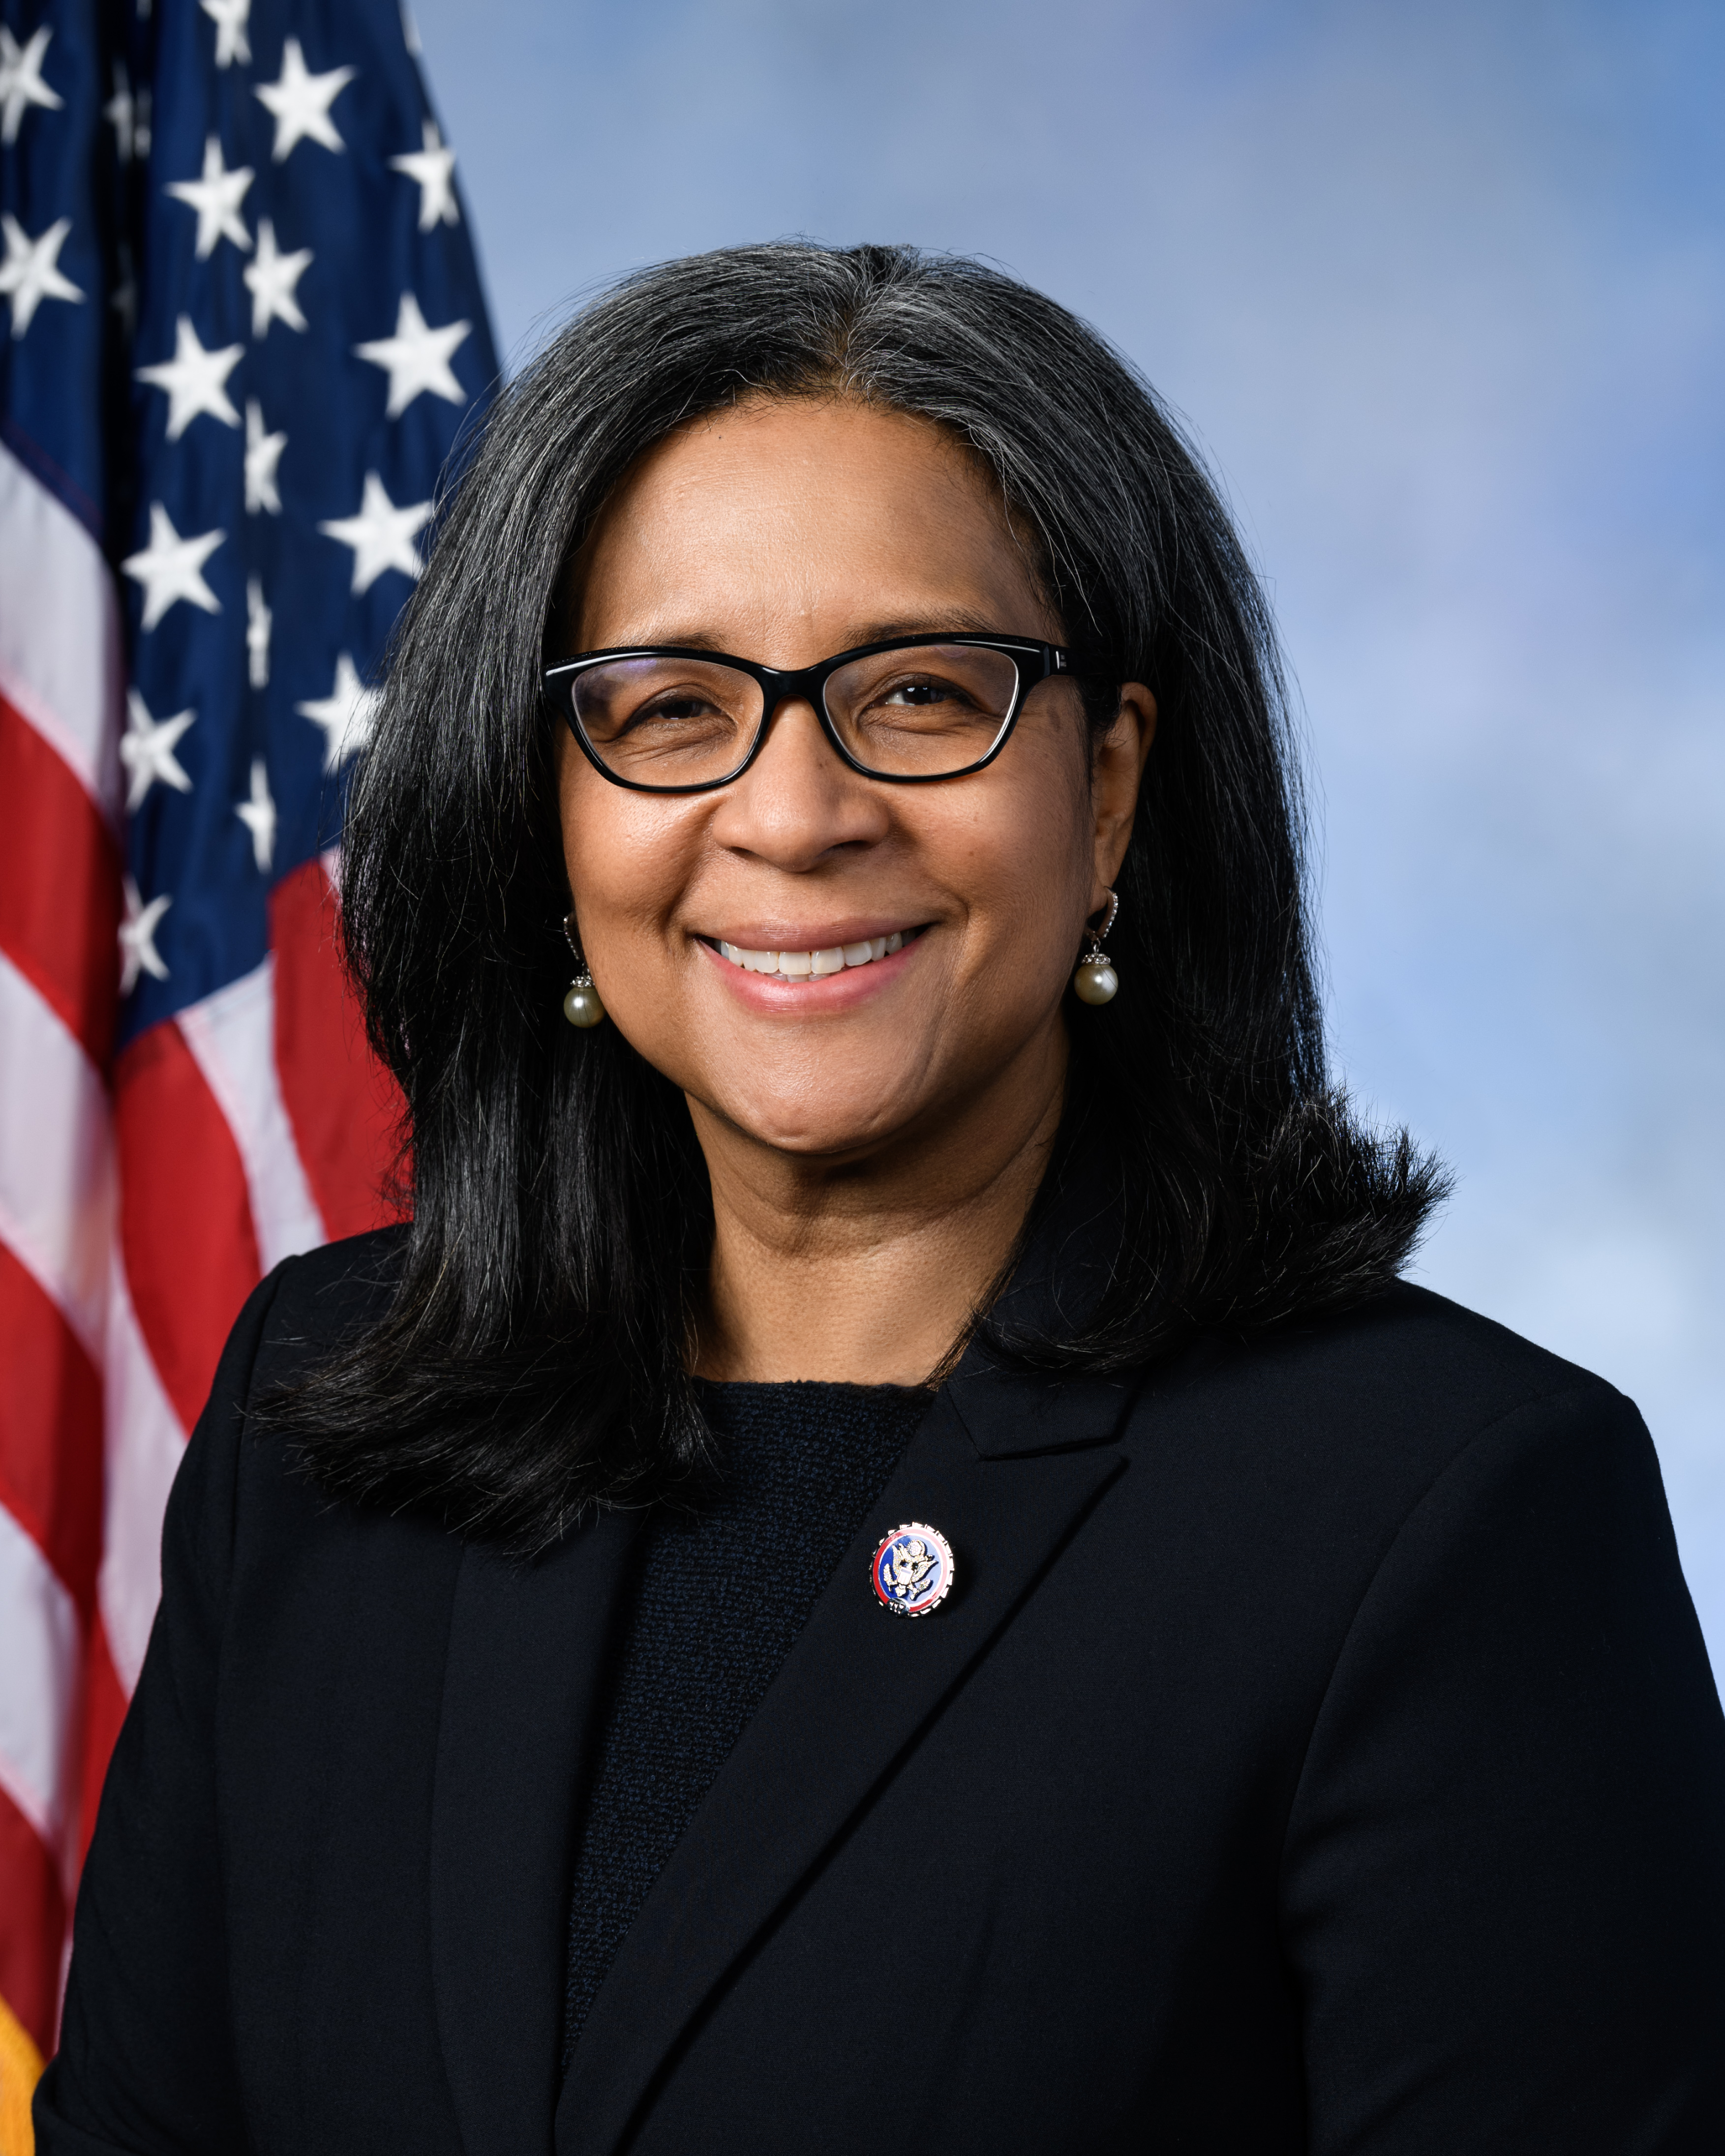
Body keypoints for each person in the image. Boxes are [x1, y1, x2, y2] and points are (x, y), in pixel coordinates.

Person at [37, 243, 1725, 2155]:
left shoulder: (1445, 1515)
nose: (795, 807)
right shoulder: (326, 1426)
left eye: (920, 694)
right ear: (547, 809)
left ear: (1105, 791)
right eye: (670, 707)